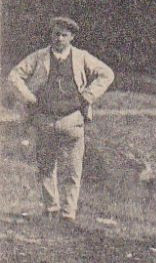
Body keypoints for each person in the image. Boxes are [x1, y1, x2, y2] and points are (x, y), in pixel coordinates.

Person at [6, 17, 116, 221]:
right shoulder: (40, 56)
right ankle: (51, 208)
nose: (59, 38)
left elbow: (107, 74)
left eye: (64, 35)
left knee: (73, 168)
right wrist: (30, 98)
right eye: (55, 34)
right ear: (51, 34)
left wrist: (88, 95)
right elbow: (15, 75)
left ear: (72, 37)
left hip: (72, 119)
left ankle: (68, 213)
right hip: (45, 118)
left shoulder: (81, 57)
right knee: (46, 166)